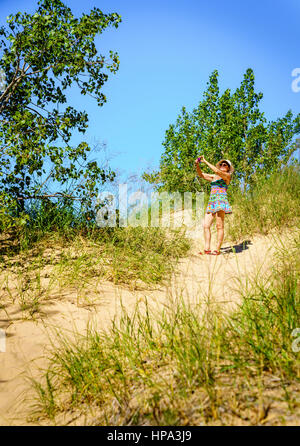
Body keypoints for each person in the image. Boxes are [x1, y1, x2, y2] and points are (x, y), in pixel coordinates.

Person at [194, 155, 234, 255]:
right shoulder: (214, 177)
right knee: (206, 225)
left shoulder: (227, 176)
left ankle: (217, 249)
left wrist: (205, 161)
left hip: (221, 201)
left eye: (225, 164)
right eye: (221, 164)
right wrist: (197, 164)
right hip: (212, 202)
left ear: (228, 168)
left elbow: (217, 171)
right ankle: (207, 249)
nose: (223, 165)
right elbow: (201, 174)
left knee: (219, 226)